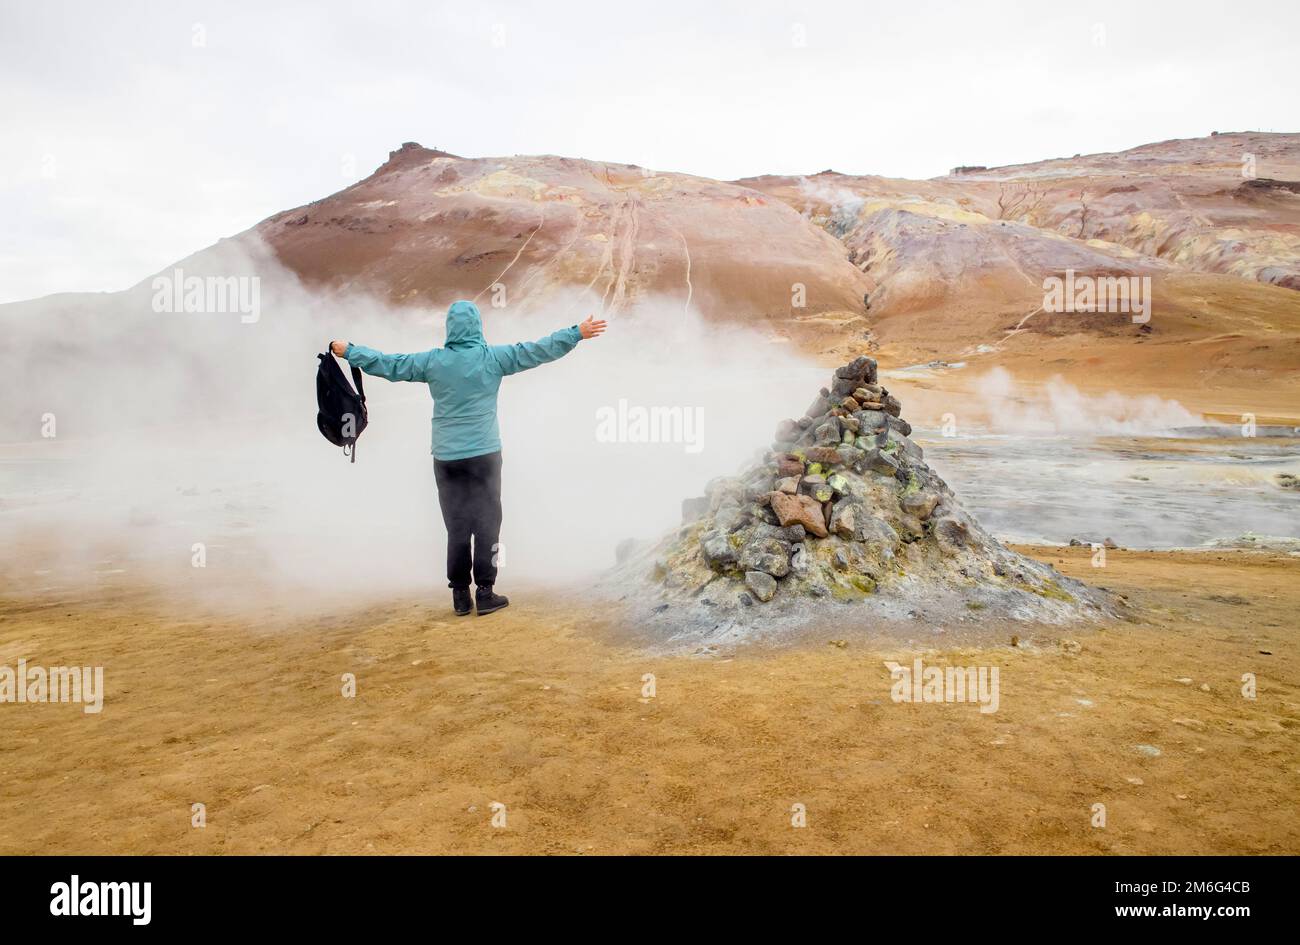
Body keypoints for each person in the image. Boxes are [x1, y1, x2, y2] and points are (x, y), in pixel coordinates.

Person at [330, 300, 606, 616]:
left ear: (450, 328)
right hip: (485, 455)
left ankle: (461, 596)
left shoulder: (433, 362)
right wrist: (576, 333)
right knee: (488, 523)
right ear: (477, 326)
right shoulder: (494, 358)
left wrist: (350, 350)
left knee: (457, 525)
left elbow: (390, 364)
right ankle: (486, 593)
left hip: (447, 458)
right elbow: (538, 350)